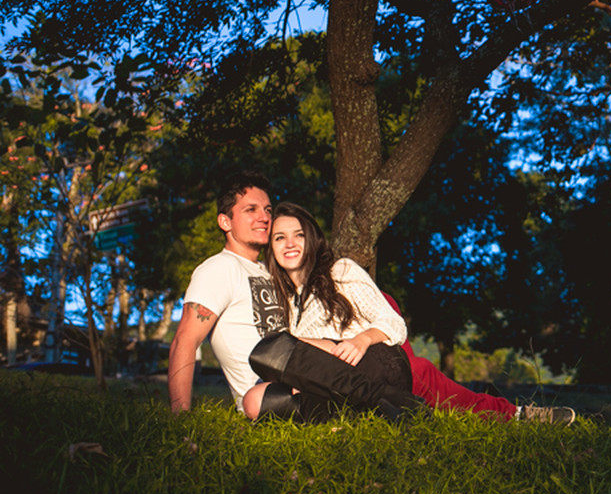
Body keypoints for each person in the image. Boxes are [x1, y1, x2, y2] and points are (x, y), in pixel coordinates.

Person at [243, 202, 575, 425]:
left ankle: (523, 416)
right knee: (256, 398)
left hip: (375, 360)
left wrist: (360, 340)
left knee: (463, 398)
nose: (289, 243)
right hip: (340, 382)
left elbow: (392, 323)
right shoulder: (286, 302)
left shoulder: (339, 271)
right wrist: (311, 357)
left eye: (298, 234)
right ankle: (385, 407)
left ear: (312, 239)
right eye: (279, 237)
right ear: (270, 247)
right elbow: (288, 358)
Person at [168, 171, 285, 414]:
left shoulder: (270, 271)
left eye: (267, 210)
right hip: (268, 401)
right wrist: (179, 418)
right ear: (225, 222)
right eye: (250, 210)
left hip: (299, 379)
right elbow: (185, 341)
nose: (263, 217)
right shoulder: (219, 268)